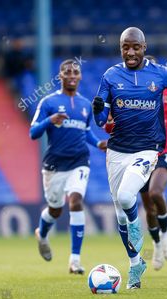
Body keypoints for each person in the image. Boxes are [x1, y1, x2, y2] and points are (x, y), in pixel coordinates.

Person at [93, 27, 167, 289]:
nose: (130, 52)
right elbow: (101, 122)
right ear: (120, 48)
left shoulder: (160, 74)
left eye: (135, 47)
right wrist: (98, 113)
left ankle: (154, 234)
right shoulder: (110, 76)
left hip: (148, 150)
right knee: (120, 214)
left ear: (144, 47)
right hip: (117, 152)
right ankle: (135, 265)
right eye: (125, 47)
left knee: (132, 197)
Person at [30, 59, 107, 274]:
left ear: (80, 76)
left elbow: (85, 131)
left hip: (79, 161)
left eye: (76, 72)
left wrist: (98, 143)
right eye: (67, 72)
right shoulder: (48, 102)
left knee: (75, 202)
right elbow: (33, 132)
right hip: (54, 164)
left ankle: (74, 261)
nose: (72, 75)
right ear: (60, 76)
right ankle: (42, 235)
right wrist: (50, 121)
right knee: (55, 210)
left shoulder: (85, 105)